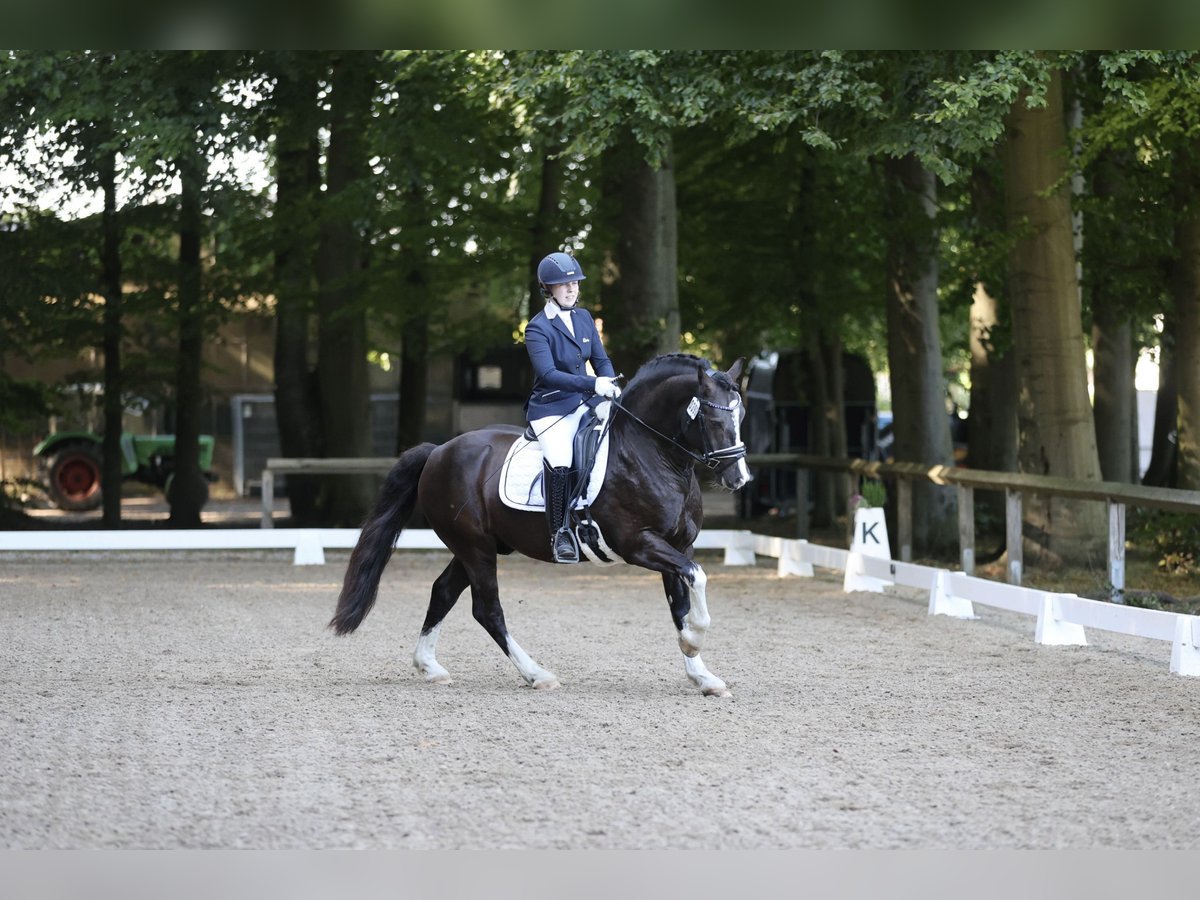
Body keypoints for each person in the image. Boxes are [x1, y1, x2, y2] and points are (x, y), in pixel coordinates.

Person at [524, 251, 621, 563]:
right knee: (561, 459)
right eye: (563, 285)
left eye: (575, 283)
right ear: (548, 289)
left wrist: (610, 385)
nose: (571, 289)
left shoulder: (583, 318)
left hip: (586, 402)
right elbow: (549, 375)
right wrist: (593, 384)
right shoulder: (538, 328)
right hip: (551, 408)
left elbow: (601, 360)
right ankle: (560, 533)